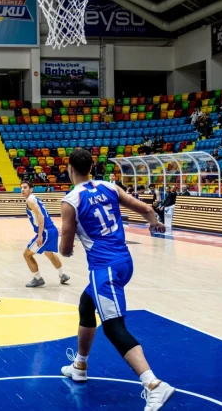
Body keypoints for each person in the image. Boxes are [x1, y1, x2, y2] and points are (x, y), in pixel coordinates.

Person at [59, 148, 175, 411]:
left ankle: (154, 384)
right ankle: (80, 365)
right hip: (124, 262)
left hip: (105, 269)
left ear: (69, 168)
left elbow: (65, 248)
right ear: (92, 167)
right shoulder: (109, 187)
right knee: (86, 305)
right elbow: (145, 207)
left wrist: (68, 245)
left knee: (113, 327)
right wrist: (154, 222)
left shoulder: (71, 201)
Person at [20, 181, 69, 288]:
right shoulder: (35, 198)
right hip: (51, 230)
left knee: (26, 255)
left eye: (25, 187)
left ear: (31, 189)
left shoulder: (30, 200)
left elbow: (41, 217)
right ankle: (62, 274)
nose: (22, 190)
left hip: (45, 232)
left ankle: (37, 278)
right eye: (21, 188)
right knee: (49, 253)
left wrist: (40, 235)